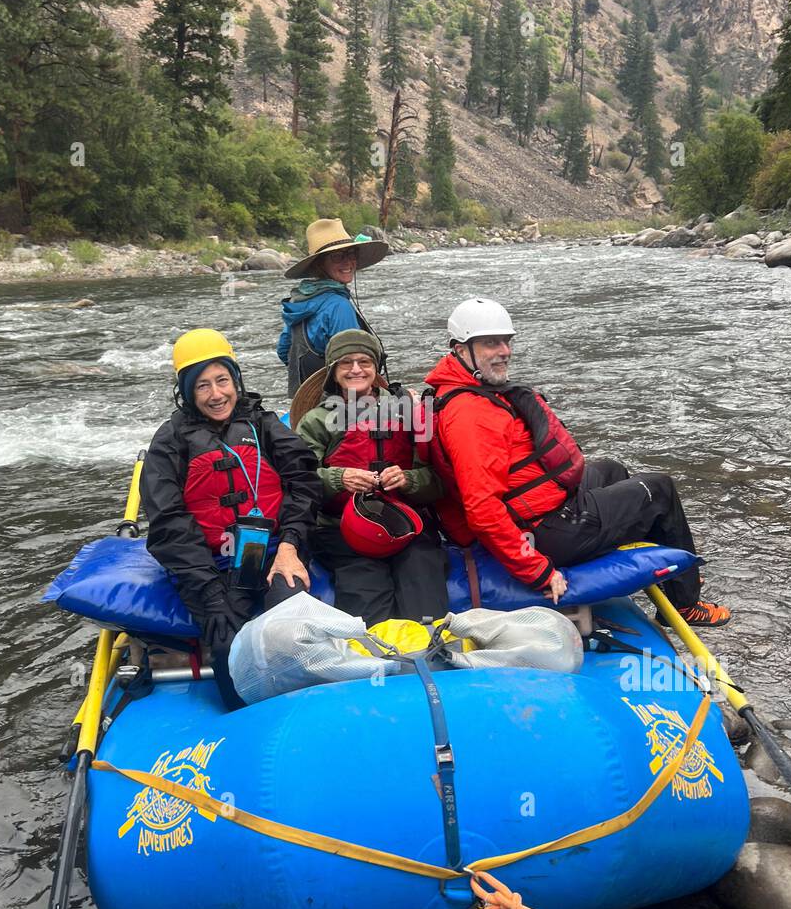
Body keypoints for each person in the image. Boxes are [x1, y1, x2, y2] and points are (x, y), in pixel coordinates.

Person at [425, 298, 731, 626]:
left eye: (506, 341)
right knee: (660, 490)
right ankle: (685, 605)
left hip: (539, 508)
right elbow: (482, 509)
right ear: (460, 350)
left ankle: (660, 566)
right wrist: (538, 571)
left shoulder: (461, 388)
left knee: (610, 469)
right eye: (491, 343)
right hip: (544, 531)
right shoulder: (470, 414)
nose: (505, 351)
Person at [141, 328, 322, 706]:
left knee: (290, 632)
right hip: (214, 564)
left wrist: (290, 545)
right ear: (187, 391)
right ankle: (242, 717)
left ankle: (302, 713)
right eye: (202, 385)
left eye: (222, 380)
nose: (216, 394)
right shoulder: (170, 441)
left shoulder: (263, 425)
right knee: (227, 645)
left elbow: (303, 484)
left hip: (273, 553)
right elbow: (168, 523)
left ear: (235, 380)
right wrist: (209, 591)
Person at [293, 329, 448, 628]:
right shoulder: (316, 422)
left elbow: (438, 480)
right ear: (333, 371)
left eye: (364, 362)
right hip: (342, 531)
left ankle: (430, 644)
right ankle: (373, 649)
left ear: (376, 368)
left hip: (406, 526)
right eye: (345, 363)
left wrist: (408, 479)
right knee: (365, 591)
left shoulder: (409, 412)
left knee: (422, 578)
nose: (356, 369)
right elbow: (300, 482)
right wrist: (339, 478)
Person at [277, 218, 390, 394]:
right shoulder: (339, 307)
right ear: (320, 264)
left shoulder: (299, 302)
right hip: (343, 402)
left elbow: (284, 351)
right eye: (337, 256)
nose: (348, 262)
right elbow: (355, 369)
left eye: (351, 253)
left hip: (309, 401)